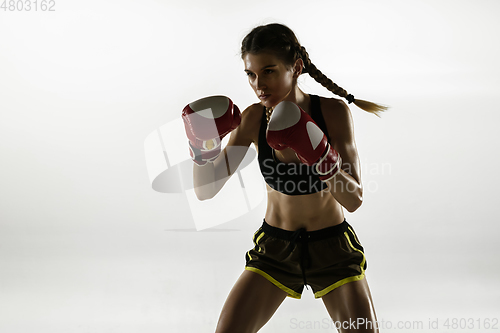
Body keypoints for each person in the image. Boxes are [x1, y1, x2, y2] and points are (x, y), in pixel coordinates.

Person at [182, 23, 388, 333]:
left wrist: (319, 154)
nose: (259, 85)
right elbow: (205, 190)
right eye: (251, 74)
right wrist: (202, 148)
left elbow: (353, 199)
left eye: (269, 71)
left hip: (332, 248)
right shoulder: (252, 118)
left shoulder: (332, 113)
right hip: (275, 249)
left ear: (296, 67)